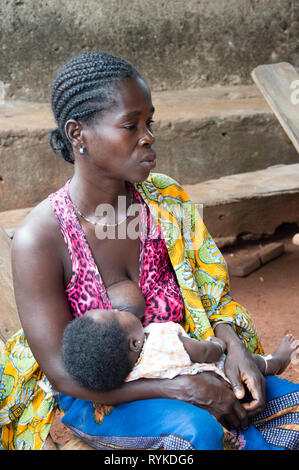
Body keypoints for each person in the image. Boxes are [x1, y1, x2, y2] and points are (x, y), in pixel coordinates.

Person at [1, 51, 298, 451]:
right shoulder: (41, 238)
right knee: (195, 434)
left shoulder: (165, 201)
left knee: (290, 406)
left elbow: (211, 295)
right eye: (130, 125)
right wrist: (179, 389)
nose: (148, 137)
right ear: (77, 134)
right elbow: (62, 375)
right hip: (108, 397)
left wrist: (234, 348)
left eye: (149, 122)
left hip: (194, 361)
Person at [61, 280, 299, 392]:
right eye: (114, 313)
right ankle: (278, 361)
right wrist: (217, 343)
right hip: (222, 376)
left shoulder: (127, 373)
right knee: (256, 364)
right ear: (134, 342)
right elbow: (204, 352)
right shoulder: (161, 339)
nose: (115, 308)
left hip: (189, 396)